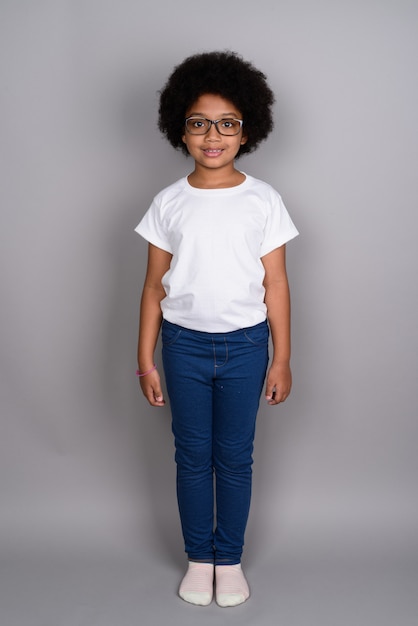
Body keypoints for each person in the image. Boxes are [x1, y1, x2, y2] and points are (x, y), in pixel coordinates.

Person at [135, 51, 298, 608]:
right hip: (181, 347)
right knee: (190, 454)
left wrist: (280, 358)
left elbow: (276, 284)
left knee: (234, 456)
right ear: (180, 128)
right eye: (200, 123)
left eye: (227, 124)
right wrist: (146, 360)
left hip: (247, 346)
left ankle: (227, 558)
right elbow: (154, 287)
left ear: (246, 130)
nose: (213, 135)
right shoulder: (168, 203)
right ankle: (197, 558)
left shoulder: (264, 199)